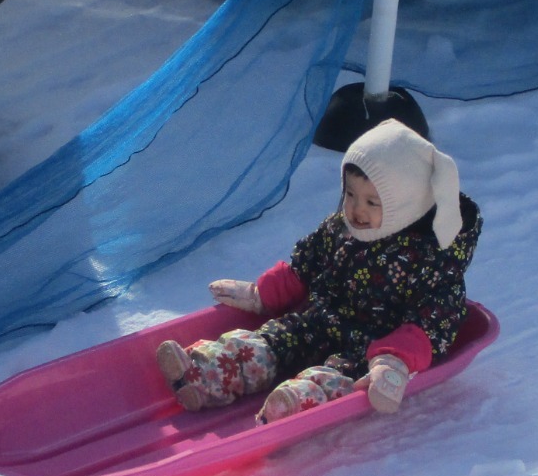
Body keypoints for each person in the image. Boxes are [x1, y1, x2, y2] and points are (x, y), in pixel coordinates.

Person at [157, 119, 481, 424]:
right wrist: (261, 294)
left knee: (338, 380)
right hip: (317, 324)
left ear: (407, 205)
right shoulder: (340, 229)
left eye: (372, 202)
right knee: (271, 340)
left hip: (368, 347)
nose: (356, 210)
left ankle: (294, 405)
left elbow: (432, 323)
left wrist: (392, 360)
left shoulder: (430, 262)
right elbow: (305, 267)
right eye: (351, 194)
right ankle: (206, 374)